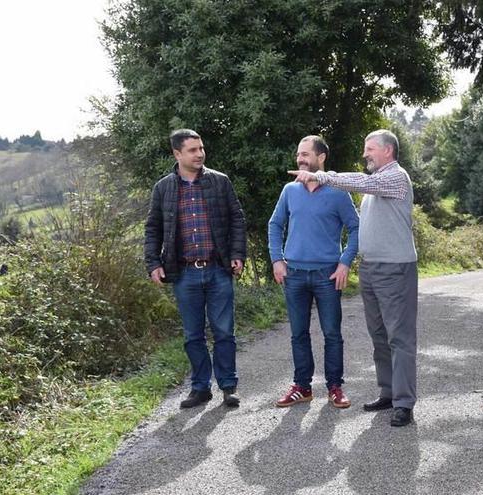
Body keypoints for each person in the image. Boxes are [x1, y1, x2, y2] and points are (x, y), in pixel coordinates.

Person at [289, 129, 418, 427]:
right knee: (379, 336)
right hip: (372, 269)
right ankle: (388, 392)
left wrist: (322, 177)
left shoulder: (396, 178)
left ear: (387, 151)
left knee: (400, 337)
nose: (365, 154)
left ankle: (404, 403)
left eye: (370, 149)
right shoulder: (376, 185)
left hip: (396, 268)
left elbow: (363, 182)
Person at [144, 129, 247, 409]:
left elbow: (237, 219)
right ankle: (200, 388)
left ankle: (228, 387)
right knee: (193, 335)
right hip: (184, 273)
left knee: (224, 331)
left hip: (217, 270)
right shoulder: (163, 188)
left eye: (201, 148)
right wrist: (153, 263)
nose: (200, 153)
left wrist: (237, 254)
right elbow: (153, 228)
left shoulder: (219, 182)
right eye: (192, 150)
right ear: (177, 154)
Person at [268, 135, 360, 409]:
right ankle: (302, 386)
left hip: (327, 275)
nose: (300, 159)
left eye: (306, 154)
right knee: (298, 333)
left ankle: (335, 387)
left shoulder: (338, 192)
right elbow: (275, 225)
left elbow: (356, 227)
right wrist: (277, 259)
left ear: (321, 158)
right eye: (299, 154)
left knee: (332, 333)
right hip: (294, 274)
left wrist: (345, 262)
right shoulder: (289, 191)